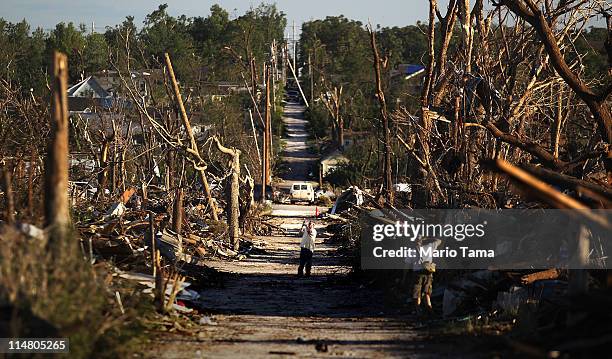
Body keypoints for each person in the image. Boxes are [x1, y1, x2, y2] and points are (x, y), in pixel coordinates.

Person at [411, 237, 441, 313]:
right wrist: (428, 238)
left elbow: (407, 262)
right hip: (428, 272)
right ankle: (430, 309)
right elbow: (439, 240)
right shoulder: (431, 246)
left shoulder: (413, 250)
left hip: (418, 273)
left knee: (417, 293)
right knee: (427, 292)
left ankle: (418, 311)